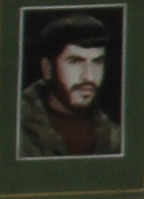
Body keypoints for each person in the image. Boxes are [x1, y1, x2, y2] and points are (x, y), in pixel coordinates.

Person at [20, 13, 122, 159]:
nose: (89, 76)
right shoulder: (14, 128)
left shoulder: (115, 137)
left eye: (97, 62)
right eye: (75, 61)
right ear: (48, 68)